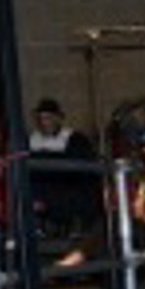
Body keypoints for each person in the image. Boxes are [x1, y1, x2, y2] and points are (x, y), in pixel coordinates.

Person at [30, 98, 98, 237]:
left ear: (58, 118)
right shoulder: (32, 140)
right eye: (41, 119)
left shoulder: (74, 139)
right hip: (39, 186)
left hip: (66, 186)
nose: (44, 123)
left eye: (48, 118)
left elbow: (82, 167)